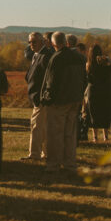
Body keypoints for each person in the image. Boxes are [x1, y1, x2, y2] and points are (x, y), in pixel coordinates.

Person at [40, 32, 85, 174]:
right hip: (75, 100)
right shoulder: (79, 57)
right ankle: (70, 164)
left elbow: (51, 82)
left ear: (54, 44)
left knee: (55, 134)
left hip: (59, 101)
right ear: (65, 42)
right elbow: (84, 79)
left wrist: (47, 98)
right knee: (70, 134)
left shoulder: (57, 58)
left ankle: (53, 164)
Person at [22, 32, 53, 161]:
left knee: (36, 126)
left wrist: (43, 96)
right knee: (43, 127)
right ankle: (45, 153)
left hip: (41, 98)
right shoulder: (37, 55)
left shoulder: (46, 56)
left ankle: (34, 154)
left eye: (34, 42)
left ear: (42, 42)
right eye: (29, 42)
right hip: (37, 97)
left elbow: (49, 79)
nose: (31, 44)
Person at [85, 45, 111, 142]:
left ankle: (95, 137)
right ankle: (105, 136)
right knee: (105, 112)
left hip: (93, 89)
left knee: (94, 113)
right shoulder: (105, 63)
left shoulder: (88, 64)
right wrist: (109, 60)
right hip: (105, 89)